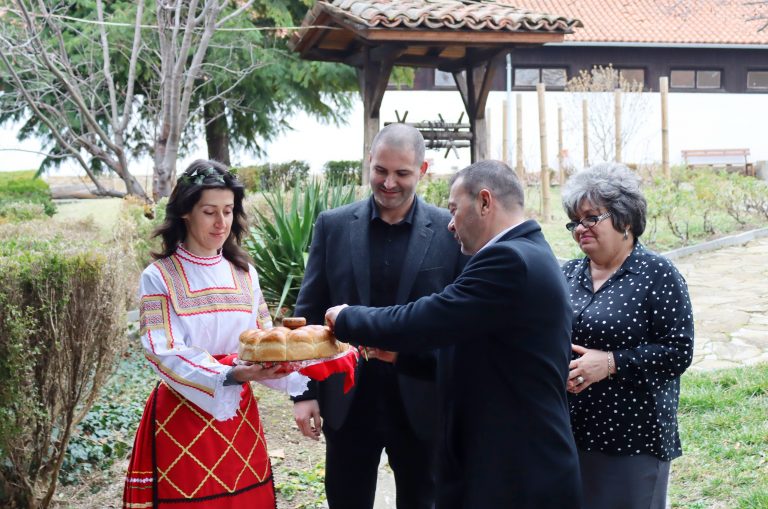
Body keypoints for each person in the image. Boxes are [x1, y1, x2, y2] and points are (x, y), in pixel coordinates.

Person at [325, 160, 582, 509]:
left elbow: (428, 318)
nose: (449, 223)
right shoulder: (525, 252)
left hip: (515, 471)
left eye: (454, 209)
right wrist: (402, 356)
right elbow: (477, 355)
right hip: (506, 463)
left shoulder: (509, 260)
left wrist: (346, 318)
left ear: (485, 202)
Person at [291, 123, 466, 509]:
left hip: (423, 402)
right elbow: (306, 315)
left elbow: (460, 324)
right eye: (380, 170)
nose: (389, 183)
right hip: (347, 401)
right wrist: (303, 393)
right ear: (368, 162)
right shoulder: (332, 225)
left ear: (422, 170)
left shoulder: (449, 231)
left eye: (402, 173)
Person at [123, 160, 307, 508]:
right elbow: (163, 351)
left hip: (239, 417)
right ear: (185, 213)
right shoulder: (159, 276)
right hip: (182, 414)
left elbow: (263, 340)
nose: (221, 222)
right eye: (209, 211)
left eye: (228, 210)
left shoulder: (244, 274)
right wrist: (231, 373)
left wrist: (293, 362)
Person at [560, 163, 694, 509]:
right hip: (569, 431)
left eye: (591, 218)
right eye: (575, 221)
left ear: (626, 220)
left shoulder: (657, 274)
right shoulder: (568, 274)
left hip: (633, 435)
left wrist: (609, 363)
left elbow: (678, 351)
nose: (580, 228)